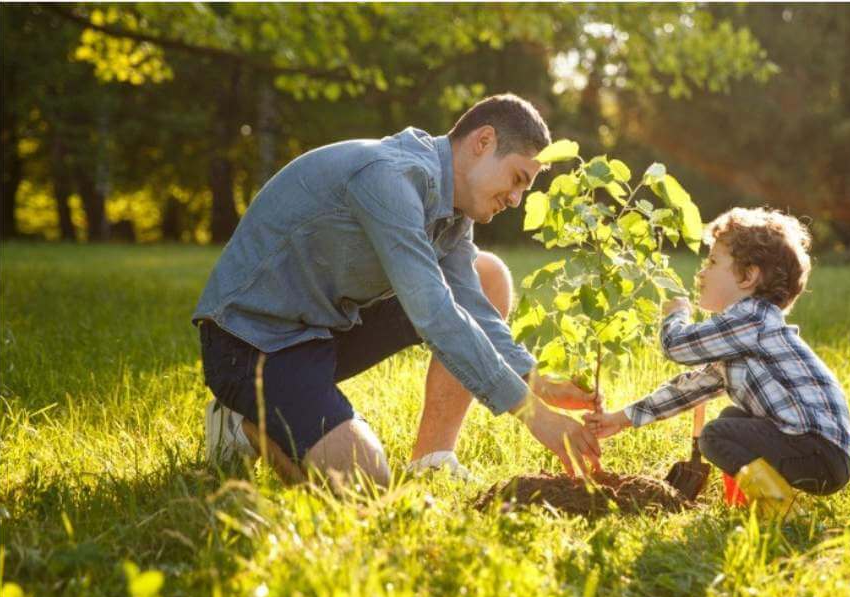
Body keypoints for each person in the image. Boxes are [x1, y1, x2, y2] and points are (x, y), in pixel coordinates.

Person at [193, 94, 602, 489]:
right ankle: (241, 424)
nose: (515, 199)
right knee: (365, 484)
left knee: (487, 275)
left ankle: (432, 460)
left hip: (322, 329)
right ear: (483, 141)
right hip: (251, 343)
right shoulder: (390, 177)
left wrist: (536, 380)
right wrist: (535, 416)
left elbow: (473, 307)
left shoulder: (455, 211)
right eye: (517, 180)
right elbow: (435, 314)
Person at [584, 207, 850, 512]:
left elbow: (676, 346)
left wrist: (676, 314)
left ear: (748, 276)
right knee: (730, 419)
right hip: (823, 452)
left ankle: (782, 510)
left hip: (818, 450)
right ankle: (746, 504)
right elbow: (687, 389)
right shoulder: (742, 336)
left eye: (712, 262)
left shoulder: (751, 318)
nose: (701, 272)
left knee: (715, 436)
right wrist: (619, 419)